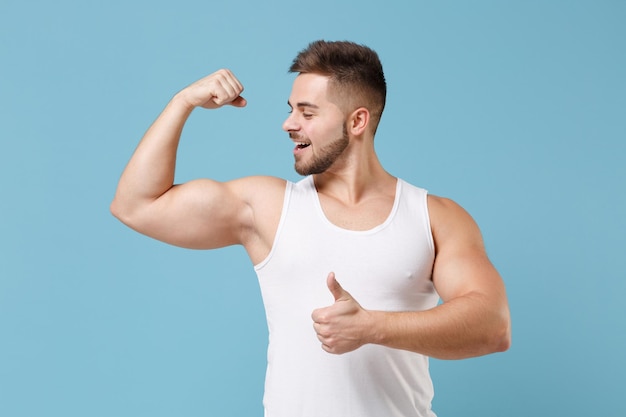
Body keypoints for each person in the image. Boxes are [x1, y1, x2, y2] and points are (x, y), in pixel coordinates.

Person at [111, 40, 511, 417]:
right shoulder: (267, 207)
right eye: (290, 109)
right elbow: (136, 205)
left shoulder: (435, 217)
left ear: (357, 121)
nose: (288, 123)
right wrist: (183, 102)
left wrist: (373, 327)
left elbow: (493, 326)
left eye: (307, 112)